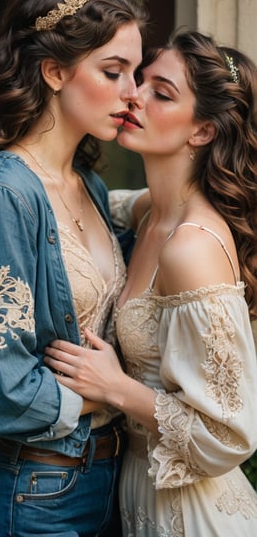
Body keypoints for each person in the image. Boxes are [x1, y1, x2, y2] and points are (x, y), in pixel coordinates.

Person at [0, 0, 148, 537]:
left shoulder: (85, 183)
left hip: (104, 483)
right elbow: (2, 393)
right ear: (55, 71)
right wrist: (113, 394)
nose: (132, 92)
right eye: (113, 72)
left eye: (136, 74)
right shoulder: (0, 193)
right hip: (33, 500)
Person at [44, 30, 257, 536]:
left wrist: (116, 387)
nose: (133, 95)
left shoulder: (190, 247)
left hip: (194, 512)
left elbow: (227, 432)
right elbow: (82, 204)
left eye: (161, 93)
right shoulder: (150, 214)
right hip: (136, 490)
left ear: (202, 131)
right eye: (139, 80)